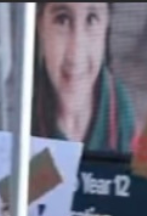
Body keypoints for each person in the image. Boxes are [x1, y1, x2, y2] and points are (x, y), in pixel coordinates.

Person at [33, 2, 137, 153]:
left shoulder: (121, 110)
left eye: (92, 19)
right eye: (62, 20)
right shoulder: (17, 112)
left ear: (107, 23)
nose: (76, 54)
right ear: (41, 26)